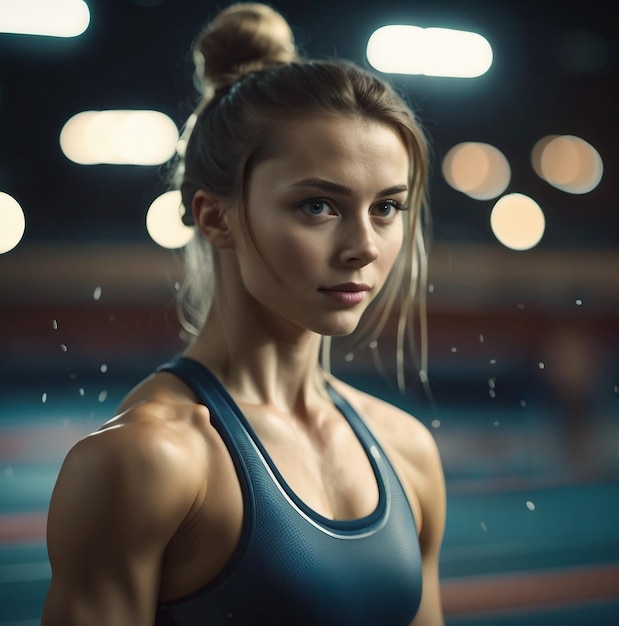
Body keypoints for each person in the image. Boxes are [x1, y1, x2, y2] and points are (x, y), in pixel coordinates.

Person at [42, 3, 446, 625]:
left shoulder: (407, 449)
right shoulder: (147, 460)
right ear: (213, 216)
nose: (364, 245)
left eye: (387, 208)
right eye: (318, 205)